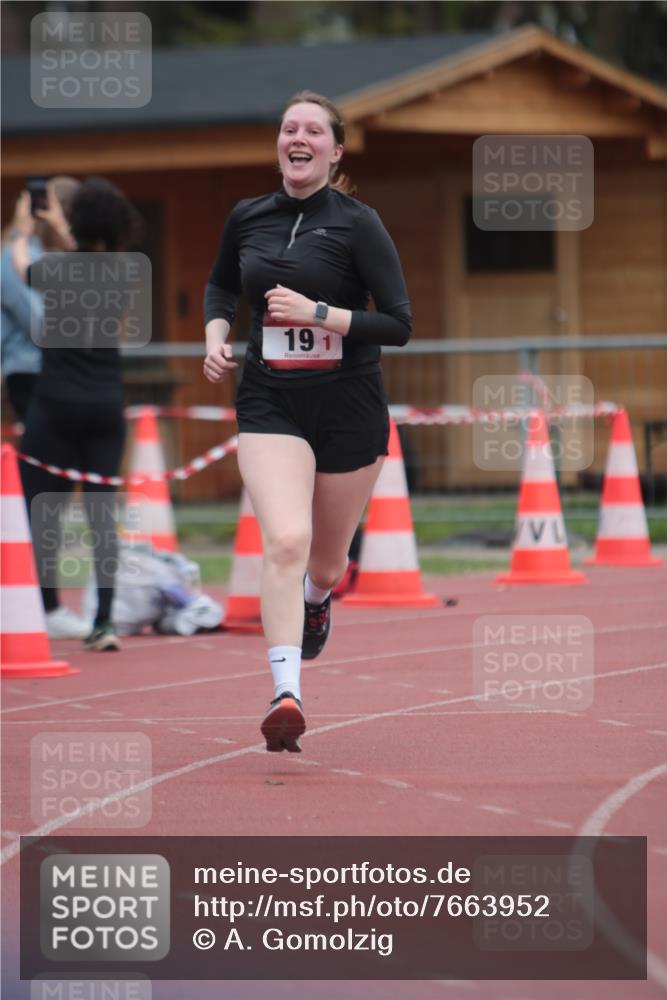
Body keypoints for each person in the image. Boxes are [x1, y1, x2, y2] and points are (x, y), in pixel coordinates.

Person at [203, 91, 411, 751]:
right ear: (280, 144)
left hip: (348, 403)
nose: (298, 138)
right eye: (288, 128)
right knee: (285, 542)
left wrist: (318, 314)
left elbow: (398, 324)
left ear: (334, 150)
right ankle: (285, 692)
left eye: (312, 130)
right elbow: (219, 286)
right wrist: (215, 334)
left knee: (323, 561)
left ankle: (320, 599)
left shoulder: (359, 224)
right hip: (271, 400)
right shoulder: (248, 216)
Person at [18, 177, 143, 650]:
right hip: (105, 406)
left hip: (54, 404)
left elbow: (20, 266)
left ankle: (42, 609)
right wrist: (64, 227)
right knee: (101, 516)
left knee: (39, 511)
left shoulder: (54, 268)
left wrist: (23, 227)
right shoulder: (126, 272)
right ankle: (104, 622)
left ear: (74, 221)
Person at [1, 179, 79, 420]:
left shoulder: (51, 257)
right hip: (32, 373)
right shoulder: (12, 258)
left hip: (55, 370)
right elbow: (41, 324)